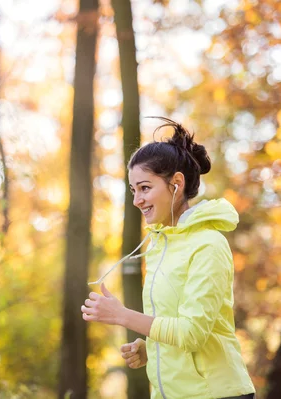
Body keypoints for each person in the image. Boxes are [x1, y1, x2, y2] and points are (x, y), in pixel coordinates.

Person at [81, 118, 256, 399]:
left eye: (145, 188)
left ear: (176, 184)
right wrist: (151, 348)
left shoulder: (208, 245)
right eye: (133, 190)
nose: (137, 199)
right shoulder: (162, 247)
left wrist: (123, 316)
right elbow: (174, 326)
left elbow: (191, 333)